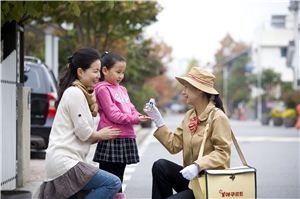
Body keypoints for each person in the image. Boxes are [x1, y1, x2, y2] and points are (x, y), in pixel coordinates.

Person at [39, 48, 122, 199]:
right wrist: (101, 135)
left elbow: (83, 133)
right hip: (65, 162)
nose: (99, 76)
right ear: (80, 72)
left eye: (99, 71)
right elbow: (84, 133)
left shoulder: (83, 94)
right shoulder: (75, 93)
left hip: (68, 161)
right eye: (95, 71)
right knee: (113, 183)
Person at [143, 67, 232, 199]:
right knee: (160, 166)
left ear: (199, 90)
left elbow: (223, 153)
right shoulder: (189, 116)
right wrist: (158, 121)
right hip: (193, 181)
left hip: (210, 185)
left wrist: (198, 166)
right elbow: (174, 146)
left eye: (186, 87)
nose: (183, 92)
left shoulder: (218, 117)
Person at [93, 52, 151, 199]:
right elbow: (113, 114)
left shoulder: (122, 89)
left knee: (119, 177)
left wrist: (139, 115)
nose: (120, 76)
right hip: (112, 137)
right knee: (110, 179)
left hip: (125, 137)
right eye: (117, 72)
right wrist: (135, 119)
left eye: (122, 73)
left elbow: (130, 108)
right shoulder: (102, 89)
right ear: (105, 70)